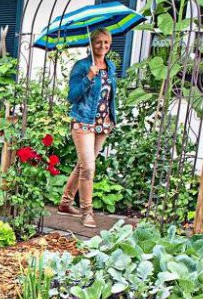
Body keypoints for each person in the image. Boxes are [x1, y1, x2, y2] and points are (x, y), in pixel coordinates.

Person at [59, 28, 118, 229]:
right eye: (98, 42)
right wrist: (89, 77)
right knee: (89, 168)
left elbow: (109, 95)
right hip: (83, 122)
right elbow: (72, 96)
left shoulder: (110, 66)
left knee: (83, 165)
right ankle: (87, 211)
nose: (103, 46)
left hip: (102, 123)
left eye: (106, 42)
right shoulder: (82, 66)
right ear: (91, 44)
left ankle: (66, 203)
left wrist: (112, 117)